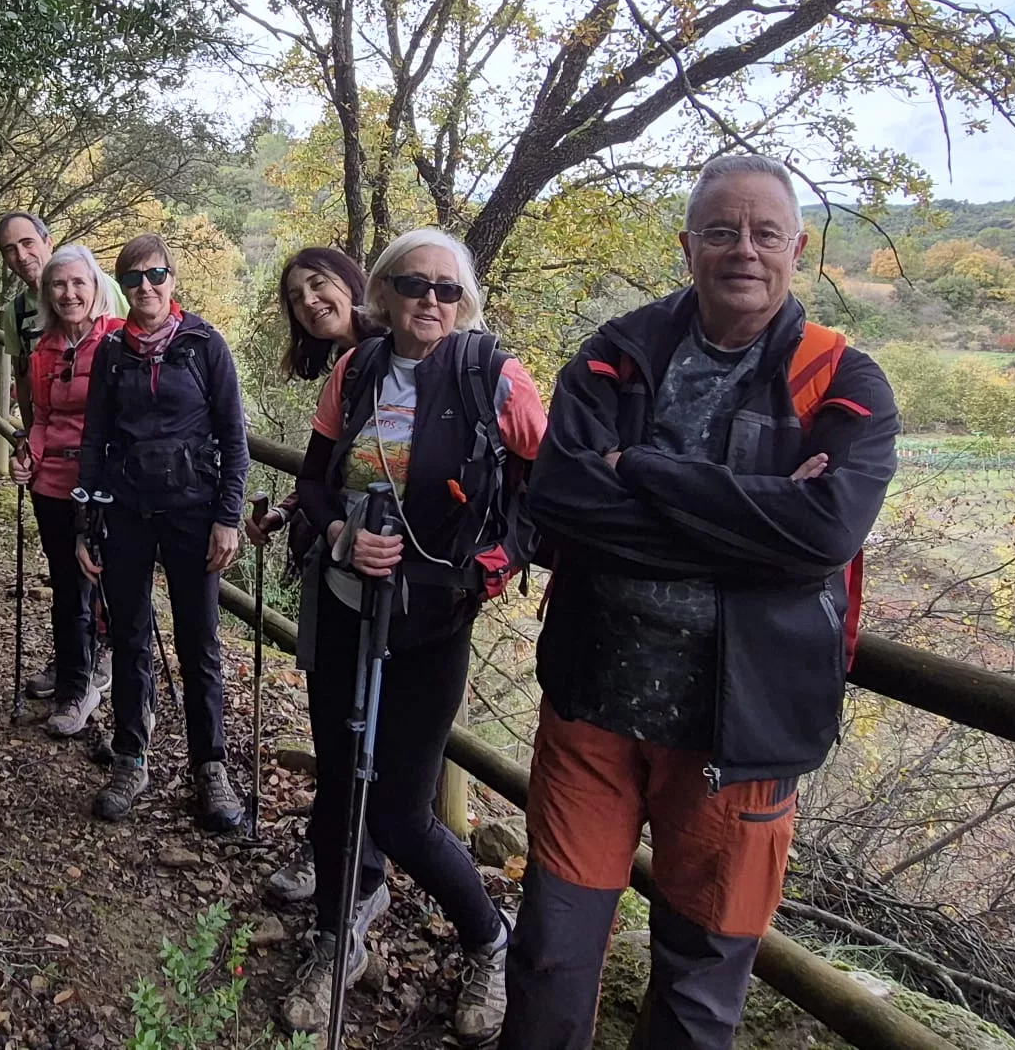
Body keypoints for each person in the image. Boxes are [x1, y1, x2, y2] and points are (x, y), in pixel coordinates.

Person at [500, 153, 899, 1050]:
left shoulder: (845, 379)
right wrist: (758, 529)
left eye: (765, 233)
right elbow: (560, 499)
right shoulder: (616, 354)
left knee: (700, 981)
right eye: (721, 231)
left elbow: (825, 535)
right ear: (688, 247)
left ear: (798, 247)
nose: (743, 250)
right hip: (592, 705)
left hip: (743, 730)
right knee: (551, 954)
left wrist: (639, 471)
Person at [282, 229, 546, 1044]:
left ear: (463, 299)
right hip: (345, 605)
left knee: (400, 810)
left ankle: (488, 940)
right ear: (385, 293)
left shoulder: (493, 376)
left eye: (445, 289)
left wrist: (494, 567)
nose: (429, 301)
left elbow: (550, 488)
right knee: (337, 788)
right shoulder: (354, 371)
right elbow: (314, 487)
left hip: (432, 622)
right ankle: (338, 938)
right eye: (412, 285)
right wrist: (336, 539)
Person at [76, 234, 250, 830]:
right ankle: (131, 756)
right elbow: (94, 442)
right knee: (129, 636)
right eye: (132, 279)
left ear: (173, 278)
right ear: (120, 288)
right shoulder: (111, 353)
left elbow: (234, 437)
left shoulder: (204, 345)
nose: (145, 288)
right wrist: (86, 524)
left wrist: (228, 517)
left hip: (193, 512)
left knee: (199, 643)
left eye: (155, 275)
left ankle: (211, 767)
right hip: (125, 513)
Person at [243, 247, 386, 908]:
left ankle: (360, 866)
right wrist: (295, 510)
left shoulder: (400, 353)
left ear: (350, 280)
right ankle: (331, 846)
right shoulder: (346, 365)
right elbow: (333, 470)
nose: (309, 302)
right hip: (335, 564)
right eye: (297, 298)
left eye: (317, 284)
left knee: (365, 721)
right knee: (336, 716)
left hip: (386, 576)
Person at [0, 212, 123, 701]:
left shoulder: (113, 332)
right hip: (54, 471)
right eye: (11, 249)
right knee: (67, 581)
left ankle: (108, 666)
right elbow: (35, 403)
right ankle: (75, 670)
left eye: (28, 243)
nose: (69, 294)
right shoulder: (32, 333)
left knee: (107, 578)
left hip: (107, 476)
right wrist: (30, 451)